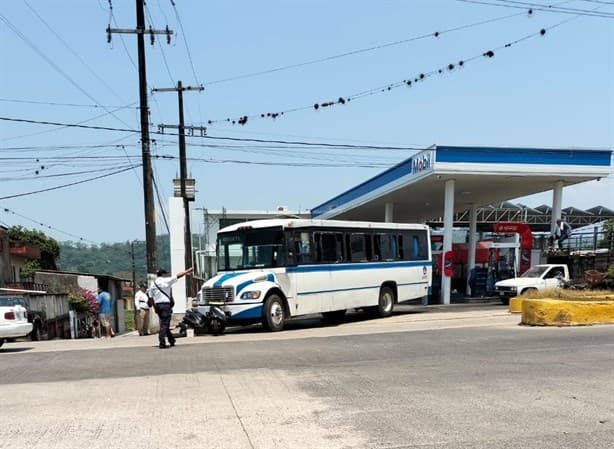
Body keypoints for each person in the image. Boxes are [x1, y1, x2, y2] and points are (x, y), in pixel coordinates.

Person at [149, 267, 193, 349]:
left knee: (164, 324)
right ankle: (162, 342)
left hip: (158, 305)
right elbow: (177, 276)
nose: (166, 275)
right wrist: (187, 271)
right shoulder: (166, 280)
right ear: (163, 274)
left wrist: (155, 307)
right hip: (165, 305)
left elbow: (150, 297)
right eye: (165, 273)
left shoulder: (153, 284)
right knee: (164, 324)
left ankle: (171, 340)